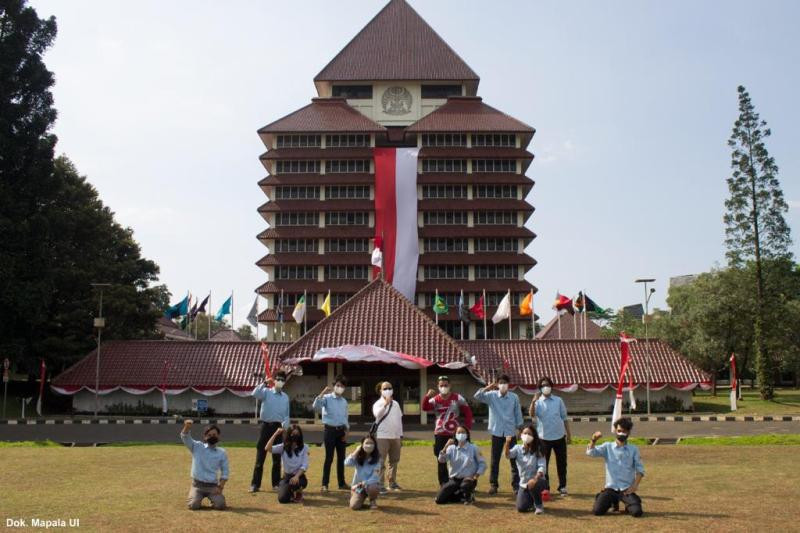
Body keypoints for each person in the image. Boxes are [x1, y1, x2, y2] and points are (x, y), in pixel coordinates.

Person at [474, 374, 523, 495]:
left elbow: (517, 413)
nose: (503, 385)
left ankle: (516, 485)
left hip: (510, 432)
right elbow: (477, 396)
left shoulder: (514, 397)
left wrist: (520, 429)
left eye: (505, 383)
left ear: (509, 384)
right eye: (500, 383)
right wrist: (488, 387)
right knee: (495, 460)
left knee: (514, 460)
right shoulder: (491, 396)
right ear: (497, 384)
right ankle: (493, 485)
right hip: (496, 432)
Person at [586, 417, 645, 517]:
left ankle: (630, 502)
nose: (621, 433)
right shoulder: (607, 446)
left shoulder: (633, 449)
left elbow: (640, 470)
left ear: (629, 432)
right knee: (597, 511)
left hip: (626, 489)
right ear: (615, 431)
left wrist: (634, 486)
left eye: (624, 431)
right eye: (619, 431)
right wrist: (593, 440)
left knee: (637, 512)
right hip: (611, 488)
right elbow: (590, 452)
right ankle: (608, 500)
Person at [422, 375, 474, 486]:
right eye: (441, 385)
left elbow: (468, 412)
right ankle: (444, 484)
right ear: (438, 386)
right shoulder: (435, 399)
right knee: (441, 459)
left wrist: (467, 429)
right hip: (440, 433)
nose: (443, 387)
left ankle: (463, 481)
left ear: (450, 386)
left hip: (456, 433)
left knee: (461, 457)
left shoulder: (458, 397)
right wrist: (427, 396)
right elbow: (425, 408)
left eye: (446, 385)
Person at [528, 376, 571, 496]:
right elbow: (532, 415)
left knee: (562, 463)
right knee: (543, 464)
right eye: (543, 385)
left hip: (559, 436)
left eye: (547, 385)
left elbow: (564, 418)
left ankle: (562, 486)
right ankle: (545, 487)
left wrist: (569, 434)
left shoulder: (558, 400)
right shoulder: (538, 402)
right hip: (543, 438)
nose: (545, 387)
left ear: (551, 387)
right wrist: (533, 401)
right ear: (540, 388)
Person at [250, 370, 290, 493]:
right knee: (260, 456)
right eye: (278, 379)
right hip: (266, 427)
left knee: (277, 458)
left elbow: (287, 415)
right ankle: (255, 484)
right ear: (274, 379)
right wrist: (264, 383)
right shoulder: (266, 392)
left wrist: (285, 428)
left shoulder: (285, 397)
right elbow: (254, 393)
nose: (280, 381)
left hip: (278, 429)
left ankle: (276, 484)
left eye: (283, 380)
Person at [180, 420, 229, 511]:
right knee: (193, 505)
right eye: (209, 435)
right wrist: (187, 427)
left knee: (221, 505)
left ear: (218, 436)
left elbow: (225, 472)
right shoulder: (197, 446)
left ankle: (214, 500)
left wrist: (220, 487)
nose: (212, 437)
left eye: (214, 435)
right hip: (197, 485)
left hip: (213, 486)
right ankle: (195, 497)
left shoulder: (222, 452)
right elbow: (185, 437)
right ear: (205, 436)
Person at [312, 374, 350, 492]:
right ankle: (325, 484)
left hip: (341, 431)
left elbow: (345, 417)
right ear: (334, 386)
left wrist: (346, 431)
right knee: (329, 458)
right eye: (338, 385)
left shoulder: (344, 401)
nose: (340, 388)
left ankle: (341, 483)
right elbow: (315, 407)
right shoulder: (327, 398)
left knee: (341, 458)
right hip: (329, 431)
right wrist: (322, 392)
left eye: (342, 386)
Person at [435, 425, 486, 505]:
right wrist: (445, 447)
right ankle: (460, 495)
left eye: (463, 432)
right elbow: (441, 460)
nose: (461, 434)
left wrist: (475, 477)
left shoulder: (473, 448)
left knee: (465, 485)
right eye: (458, 432)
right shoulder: (451, 448)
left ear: (467, 435)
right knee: (439, 500)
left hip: (468, 479)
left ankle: (469, 496)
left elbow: (482, 463)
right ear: (455, 435)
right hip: (454, 479)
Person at [506, 425, 547, 514]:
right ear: (521, 435)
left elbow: (542, 467)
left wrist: (535, 479)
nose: (527, 435)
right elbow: (508, 455)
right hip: (524, 484)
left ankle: (539, 506)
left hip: (538, 481)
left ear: (533, 436)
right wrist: (507, 443)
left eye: (529, 434)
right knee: (521, 508)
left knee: (533, 484)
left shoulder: (538, 449)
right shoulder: (517, 448)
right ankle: (531, 501)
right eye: (525, 433)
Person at [265, 424, 309, 504]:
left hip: (299, 476)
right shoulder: (283, 447)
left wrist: (296, 476)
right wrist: (276, 433)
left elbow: (305, 465)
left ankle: (299, 492)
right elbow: (268, 448)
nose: (295, 436)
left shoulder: (304, 447)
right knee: (282, 499)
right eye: (293, 434)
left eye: (297, 434)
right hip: (287, 477)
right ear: (289, 435)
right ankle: (290, 493)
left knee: (298, 483)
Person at [372, 381, 403, 494]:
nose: (388, 390)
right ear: (380, 391)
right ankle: (380, 485)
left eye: (390, 388)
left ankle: (392, 482)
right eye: (385, 388)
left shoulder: (396, 404)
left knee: (394, 461)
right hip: (382, 436)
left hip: (395, 436)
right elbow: (377, 415)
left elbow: (399, 420)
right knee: (380, 461)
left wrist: (401, 435)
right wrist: (385, 404)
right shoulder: (377, 404)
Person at [344, 435, 382, 510]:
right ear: (362, 445)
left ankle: (372, 500)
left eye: (371, 443)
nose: (369, 445)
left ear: (375, 446)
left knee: (373, 487)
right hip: (358, 487)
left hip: (370, 485)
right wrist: (356, 451)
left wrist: (364, 483)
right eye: (366, 443)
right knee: (354, 506)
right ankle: (360, 498)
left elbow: (375, 477)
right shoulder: (358, 456)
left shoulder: (377, 459)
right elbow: (347, 463)